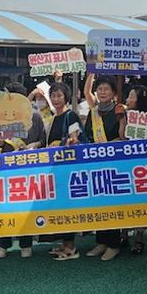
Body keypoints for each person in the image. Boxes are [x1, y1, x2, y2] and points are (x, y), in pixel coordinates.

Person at [0, 83, 46, 260]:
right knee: (4, 206)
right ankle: (3, 245)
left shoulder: (35, 117)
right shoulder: (1, 116)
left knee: (26, 207)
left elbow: (42, 140)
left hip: (28, 168)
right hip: (6, 168)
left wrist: (36, 144)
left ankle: (26, 244)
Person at [83, 74, 125, 262]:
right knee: (98, 202)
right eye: (99, 89)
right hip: (96, 162)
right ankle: (101, 241)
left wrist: (122, 121)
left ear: (114, 92)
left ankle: (114, 244)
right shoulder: (93, 112)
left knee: (112, 203)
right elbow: (87, 136)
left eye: (106, 89)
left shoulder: (120, 110)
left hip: (115, 163)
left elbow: (124, 137)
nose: (102, 92)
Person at [46, 81, 83, 261]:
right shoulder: (53, 117)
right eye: (53, 95)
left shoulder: (71, 115)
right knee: (59, 205)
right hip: (55, 167)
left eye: (59, 95)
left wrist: (70, 141)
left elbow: (74, 137)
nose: (56, 99)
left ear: (66, 97)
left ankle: (70, 246)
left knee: (67, 205)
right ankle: (64, 242)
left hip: (68, 167)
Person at [118, 85, 147, 255]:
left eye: (131, 96)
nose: (128, 99)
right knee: (125, 199)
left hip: (142, 166)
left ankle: (139, 237)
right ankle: (123, 233)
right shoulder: (125, 114)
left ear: (140, 100)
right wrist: (122, 119)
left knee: (141, 201)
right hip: (126, 163)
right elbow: (123, 137)